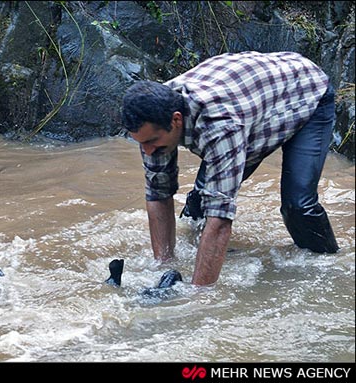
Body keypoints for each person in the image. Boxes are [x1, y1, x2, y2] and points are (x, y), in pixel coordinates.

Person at [121, 51, 339, 286]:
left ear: (176, 121)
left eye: (151, 141)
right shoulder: (152, 111)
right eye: (140, 143)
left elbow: (221, 219)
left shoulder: (220, 126)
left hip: (306, 92)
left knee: (298, 208)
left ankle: (332, 268)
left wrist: (196, 299)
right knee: (197, 208)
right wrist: (164, 267)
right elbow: (158, 192)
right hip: (252, 103)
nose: (148, 151)